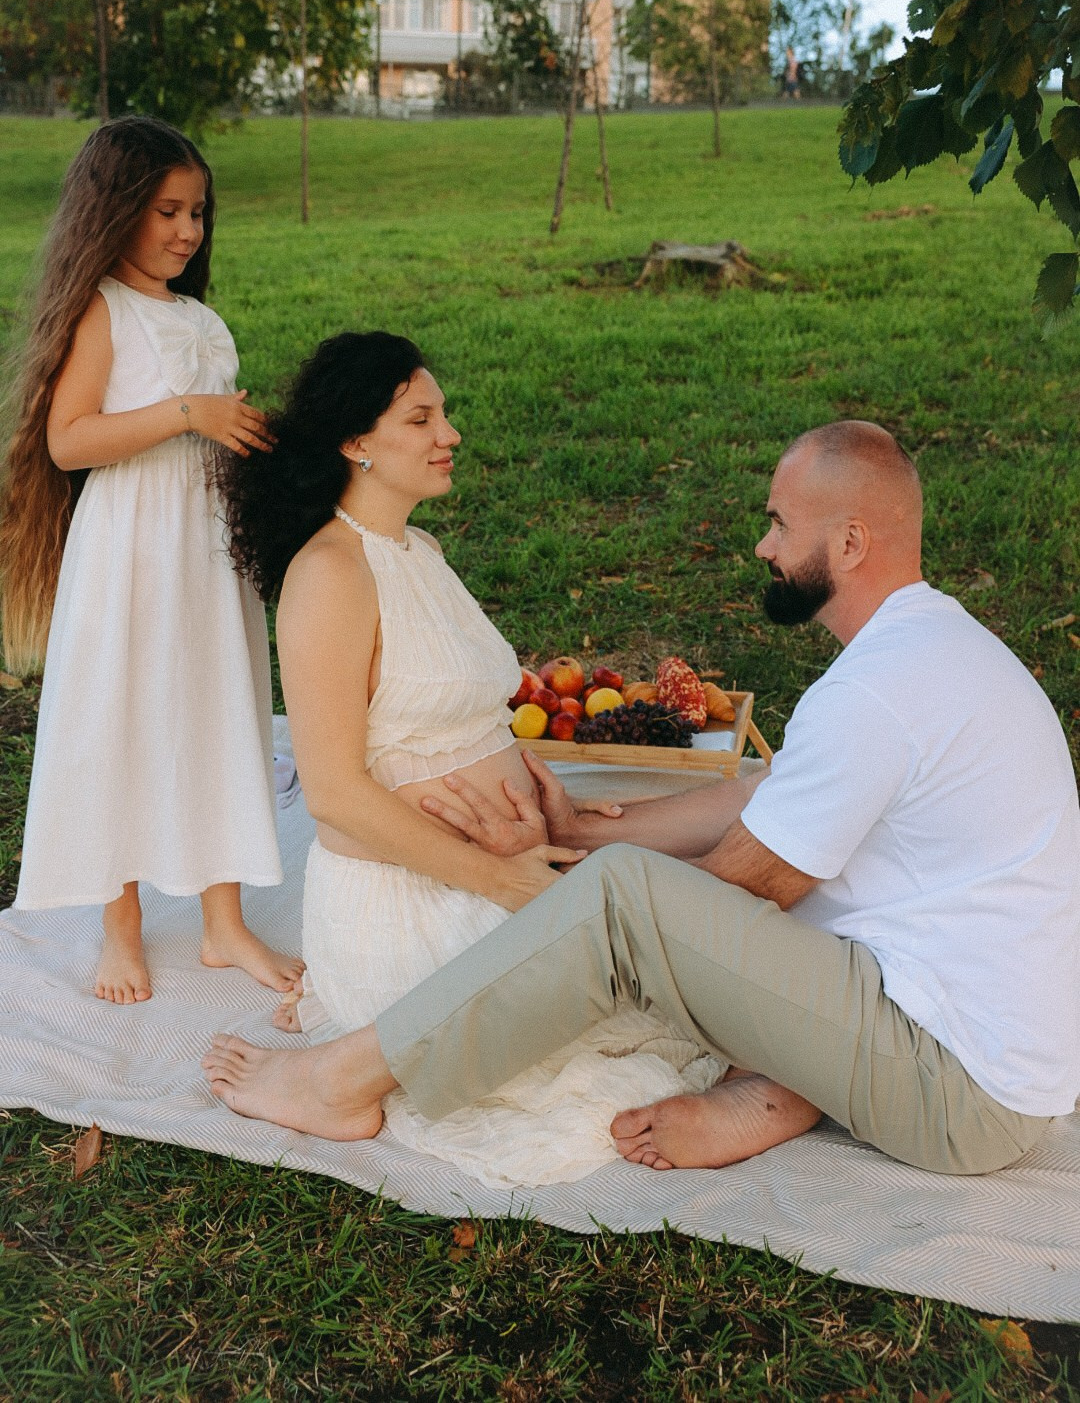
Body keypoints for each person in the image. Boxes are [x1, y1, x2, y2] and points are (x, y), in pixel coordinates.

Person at [203, 421, 1080, 1177]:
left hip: (955, 1091)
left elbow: (731, 889)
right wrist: (579, 830)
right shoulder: (926, 647)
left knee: (628, 897)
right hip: (938, 1020)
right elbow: (766, 796)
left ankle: (343, 1081)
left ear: (849, 545)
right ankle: (782, 1086)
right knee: (633, 872)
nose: (764, 547)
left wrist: (549, 881)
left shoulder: (876, 695)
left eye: (779, 525)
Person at [216, 330, 729, 1187]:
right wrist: (496, 880)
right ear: (356, 442)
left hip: (508, 861)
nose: (449, 433)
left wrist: (545, 807)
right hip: (416, 894)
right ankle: (332, 1084)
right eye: (421, 418)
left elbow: (468, 717)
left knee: (671, 984)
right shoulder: (330, 575)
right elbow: (336, 794)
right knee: (581, 1060)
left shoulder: (422, 553)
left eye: (443, 414)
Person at [1, 117, 302, 1005]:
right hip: (131, 547)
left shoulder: (199, 317)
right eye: (168, 211)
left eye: (198, 212)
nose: (187, 231)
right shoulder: (104, 307)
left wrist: (250, 439)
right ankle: (121, 927)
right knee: (121, 717)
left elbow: (210, 426)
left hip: (207, 550)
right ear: (117, 209)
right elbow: (68, 441)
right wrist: (187, 414)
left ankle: (223, 923)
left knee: (220, 706)